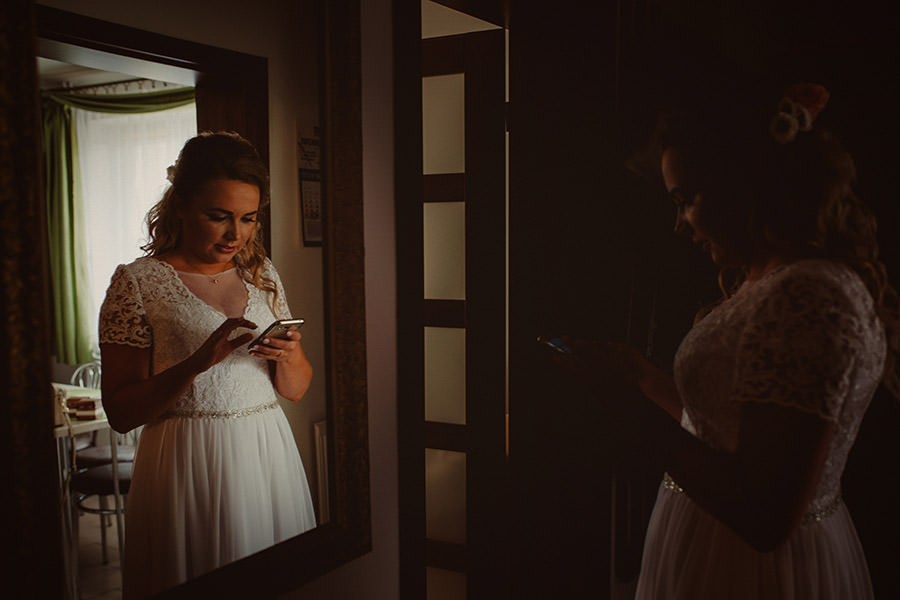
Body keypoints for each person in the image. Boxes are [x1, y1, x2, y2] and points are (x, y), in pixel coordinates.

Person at [564, 83, 899, 598]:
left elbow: (765, 513)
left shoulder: (807, 297)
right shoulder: (770, 280)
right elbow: (731, 430)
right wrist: (642, 378)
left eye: (686, 200)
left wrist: (626, 411)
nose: (680, 225)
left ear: (744, 183)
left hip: (750, 568)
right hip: (710, 542)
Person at [98, 131, 317, 598]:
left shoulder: (261, 273)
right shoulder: (137, 283)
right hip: (186, 461)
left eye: (247, 218)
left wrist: (290, 354)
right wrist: (195, 364)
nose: (235, 234)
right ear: (180, 205)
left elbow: (296, 389)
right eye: (218, 217)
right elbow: (119, 412)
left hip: (266, 451)